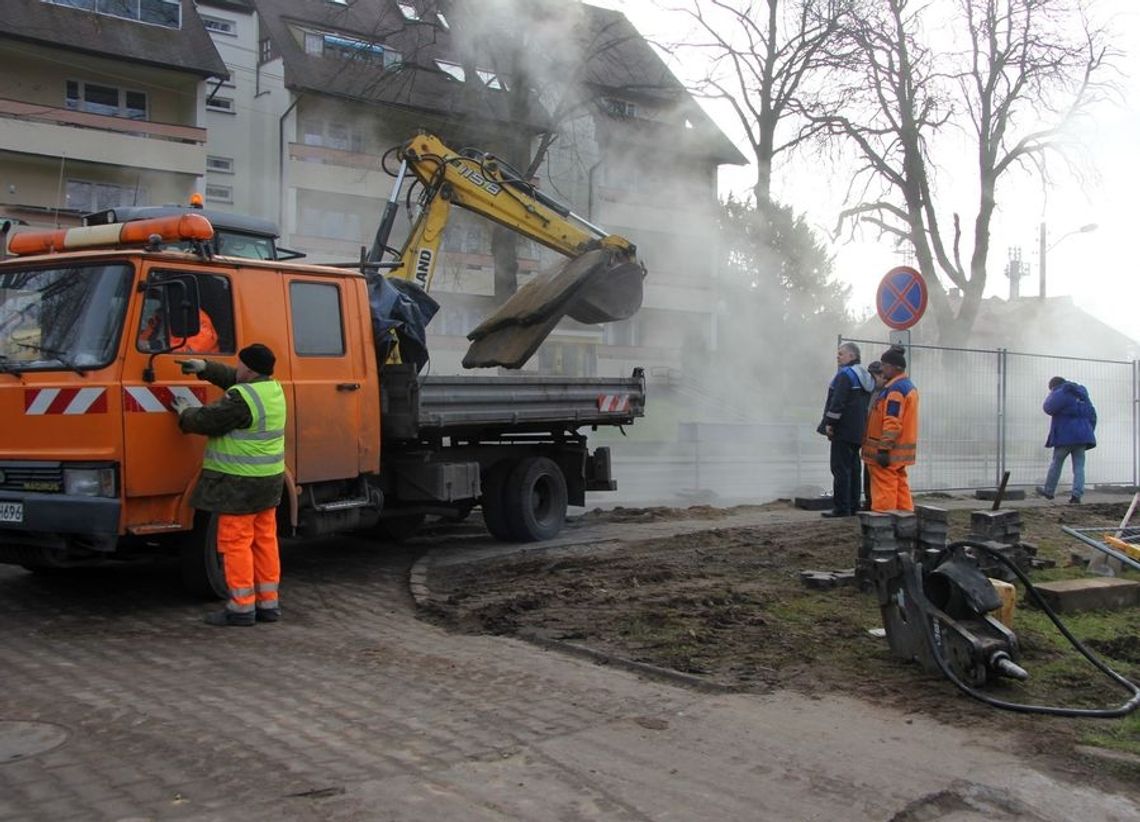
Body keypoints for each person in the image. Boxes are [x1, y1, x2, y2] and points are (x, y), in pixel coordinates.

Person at [170, 344, 286, 626]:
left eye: (240, 364)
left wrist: (186, 413)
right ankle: (268, 604)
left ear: (249, 368)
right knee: (264, 541)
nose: (238, 368)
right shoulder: (272, 390)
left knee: (236, 544)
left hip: (239, 484)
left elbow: (208, 421)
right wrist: (206, 368)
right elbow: (234, 379)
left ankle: (241, 608)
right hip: (268, 482)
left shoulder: (241, 398)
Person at [817, 342, 875, 518]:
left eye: (841, 354)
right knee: (854, 469)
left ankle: (841, 508)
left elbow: (837, 403)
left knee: (840, 469)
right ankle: (854, 505)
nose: (838, 357)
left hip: (842, 431)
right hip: (858, 431)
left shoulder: (845, 375)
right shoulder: (865, 376)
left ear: (852, 356)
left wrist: (829, 425)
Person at [862, 346, 919, 512]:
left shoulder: (895, 391)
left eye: (885, 365)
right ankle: (906, 522)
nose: (882, 368)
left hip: (887, 454)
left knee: (884, 491)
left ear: (896, 368)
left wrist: (883, 449)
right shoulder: (906, 386)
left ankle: (884, 524)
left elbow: (892, 422)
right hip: (899, 455)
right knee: (900, 488)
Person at [1035, 376, 1097, 504]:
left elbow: (1048, 408)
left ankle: (1049, 491)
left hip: (1065, 434)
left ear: (1053, 386)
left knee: (1057, 462)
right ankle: (1077, 495)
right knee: (1079, 466)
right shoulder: (1082, 393)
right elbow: (1092, 413)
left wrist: (1052, 393)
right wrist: (1088, 431)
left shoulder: (1061, 392)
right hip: (1083, 436)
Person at [139, 305, 219, 354]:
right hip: (159, 362)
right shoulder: (163, 315)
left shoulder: (199, 322)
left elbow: (189, 352)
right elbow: (142, 340)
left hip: (195, 373)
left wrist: (151, 345)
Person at [861, 360, 887, 511]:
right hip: (869, 442)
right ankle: (869, 501)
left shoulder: (887, 394)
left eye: (876, 375)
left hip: (880, 442)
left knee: (879, 476)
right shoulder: (869, 392)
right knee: (868, 473)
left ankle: (876, 503)